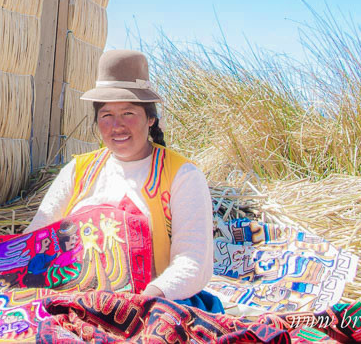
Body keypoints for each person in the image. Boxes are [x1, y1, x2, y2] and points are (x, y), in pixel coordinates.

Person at [25, 49, 222, 312]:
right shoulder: (79, 170)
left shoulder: (181, 176)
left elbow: (193, 261)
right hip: (73, 297)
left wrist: (147, 298)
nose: (117, 126)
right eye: (106, 115)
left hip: (152, 302)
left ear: (151, 118)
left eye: (128, 113)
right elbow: (37, 234)